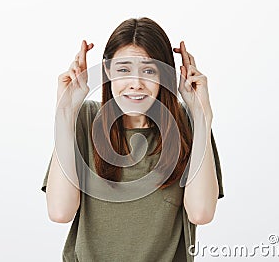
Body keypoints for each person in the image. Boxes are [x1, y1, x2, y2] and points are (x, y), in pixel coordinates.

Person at [41, 17, 224, 262]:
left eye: (148, 71)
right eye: (124, 70)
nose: (135, 84)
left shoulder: (188, 123)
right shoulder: (84, 118)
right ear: (107, 71)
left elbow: (201, 213)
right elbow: (60, 212)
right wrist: (65, 112)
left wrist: (202, 116)